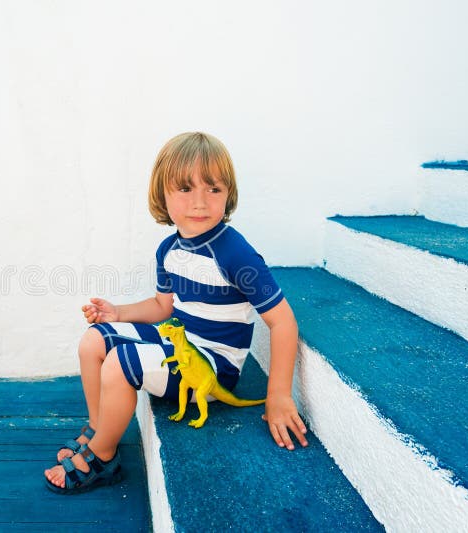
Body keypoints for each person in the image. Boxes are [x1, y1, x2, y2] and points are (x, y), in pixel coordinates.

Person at [44, 132, 308, 494]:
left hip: (212, 364)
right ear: (162, 194)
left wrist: (278, 393)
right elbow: (162, 307)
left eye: (213, 189)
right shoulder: (170, 249)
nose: (199, 202)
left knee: (121, 362)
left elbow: (282, 322)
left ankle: (102, 459)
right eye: (185, 189)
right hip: (181, 342)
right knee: (93, 341)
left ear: (228, 195)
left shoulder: (234, 254)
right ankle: (98, 427)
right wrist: (116, 312)